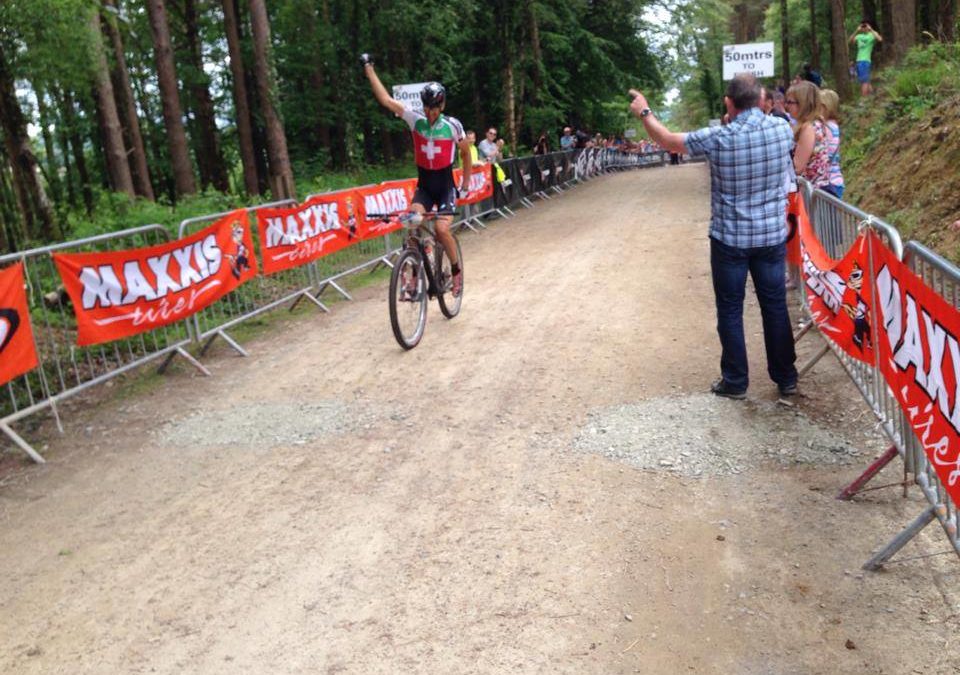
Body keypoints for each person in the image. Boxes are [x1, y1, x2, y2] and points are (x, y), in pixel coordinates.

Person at [628, 74, 798, 399]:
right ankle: (786, 377)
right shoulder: (781, 130)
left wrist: (645, 112)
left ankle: (736, 381)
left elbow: (667, 140)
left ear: (728, 103)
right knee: (775, 305)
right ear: (761, 100)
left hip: (730, 238)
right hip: (770, 236)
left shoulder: (718, 138)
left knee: (731, 309)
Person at [360, 53, 469, 295]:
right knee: (412, 224)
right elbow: (386, 100)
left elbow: (466, 153)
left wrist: (465, 185)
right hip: (425, 188)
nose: (430, 113)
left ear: (442, 106)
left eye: (435, 108)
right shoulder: (414, 120)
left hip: (446, 188)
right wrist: (369, 69)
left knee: (441, 230)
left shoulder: (452, 125)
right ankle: (414, 271)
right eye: (427, 108)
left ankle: (456, 271)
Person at [786, 81, 832, 195]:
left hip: (812, 193)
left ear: (803, 104)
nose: (786, 106)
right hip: (815, 191)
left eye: (790, 102)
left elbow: (797, 167)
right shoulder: (817, 123)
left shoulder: (808, 129)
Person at [819, 89, 844, 199]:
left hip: (829, 182)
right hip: (835, 180)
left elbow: (824, 154)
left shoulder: (826, 128)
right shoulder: (834, 126)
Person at [850, 21, 883, 96]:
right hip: (859, 60)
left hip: (865, 60)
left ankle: (864, 98)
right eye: (862, 26)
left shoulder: (871, 35)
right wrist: (856, 31)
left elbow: (880, 39)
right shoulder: (859, 36)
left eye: (865, 26)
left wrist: (871, 29)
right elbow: (851, 41)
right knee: (865, 80)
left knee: (864, 81)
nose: (864, 28)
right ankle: (871, 96)